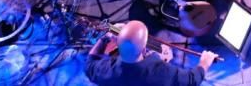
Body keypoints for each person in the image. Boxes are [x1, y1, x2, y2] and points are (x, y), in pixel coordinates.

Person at [86, 19, 216, 86]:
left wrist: (103, 39)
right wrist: (205, 62)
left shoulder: (105, 71)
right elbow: (191, 80)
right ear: (144, 49)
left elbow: (90, 63)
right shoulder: (163, 72)